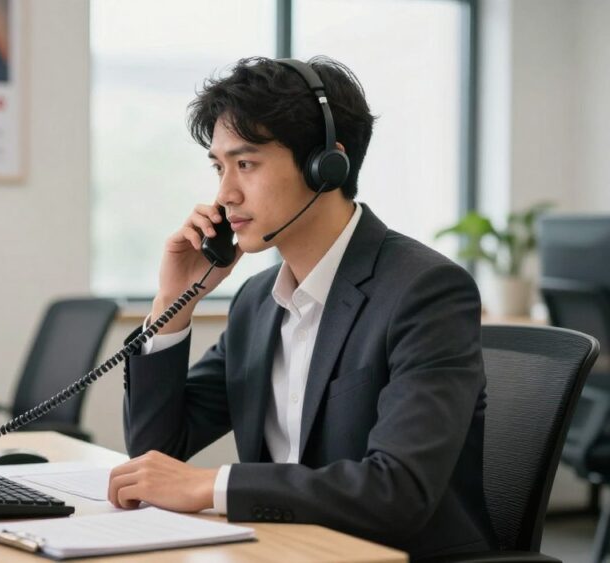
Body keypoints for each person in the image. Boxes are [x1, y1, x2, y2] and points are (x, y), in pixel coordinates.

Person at [109, 56, 497, 559]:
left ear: (325, 165)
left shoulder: (425, 292)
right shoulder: (256, 302)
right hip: (282, 549)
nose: (224, 194)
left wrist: (212, 487)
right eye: (218, 167)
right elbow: (155, 451)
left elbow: (398, 491)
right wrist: (172, 305)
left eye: (245, 164)